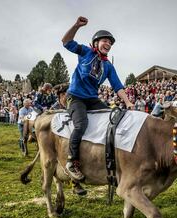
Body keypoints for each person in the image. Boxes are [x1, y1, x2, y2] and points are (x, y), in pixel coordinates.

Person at [62, 16, 134, 180]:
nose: (108, 44)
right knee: (81, 125)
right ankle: (71, 161)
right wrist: (76, 26)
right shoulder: (85, 52)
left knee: (113, 119)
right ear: (96, 43)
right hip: (75, 98)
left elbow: (117, 86)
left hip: (92, 99)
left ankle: (106, 156)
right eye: (105, 41)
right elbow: (66, 42)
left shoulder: (108, 66)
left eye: (110, 43)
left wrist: (128, 102)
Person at [50, 83, 87, 196]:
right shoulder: (57, 104)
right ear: (62, 95)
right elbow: (51, 113)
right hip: (61, 133)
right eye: (67, 94)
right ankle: (74, 183)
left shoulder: (75, 101)